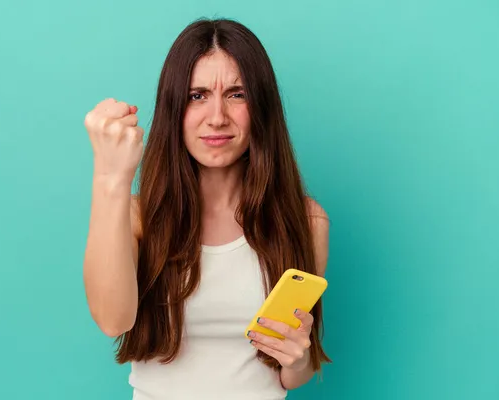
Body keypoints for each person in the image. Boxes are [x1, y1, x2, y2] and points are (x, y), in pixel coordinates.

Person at [83, 18, 331, 400]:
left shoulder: (305, 221)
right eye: (197, 95)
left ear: (261, 107)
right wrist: (110, 177)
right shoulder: (137, 217)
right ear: (173, 109)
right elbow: (113, 320)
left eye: (237, 94)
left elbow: (290, 373)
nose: (217, 116)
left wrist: (297, 361)